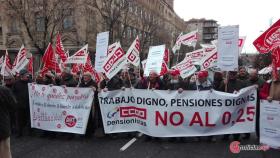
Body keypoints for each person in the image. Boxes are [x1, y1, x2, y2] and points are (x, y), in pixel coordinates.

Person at [220, 71, 248, 141]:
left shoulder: (241, 82)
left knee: (236, 121)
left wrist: (254, 87)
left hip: (237, 106)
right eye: (231, 74)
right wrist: (223, 85)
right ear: (228, 74)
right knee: (227, 121)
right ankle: (226, 135)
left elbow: (246, 91)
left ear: (236, 74)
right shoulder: (225, 82)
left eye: (234, 74)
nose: (232, 75)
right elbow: (219, 91)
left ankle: (236, 136)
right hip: (227, 106)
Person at [13, 69, 32, 137]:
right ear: (22, 75)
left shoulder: (31, 82)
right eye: (26, 74)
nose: (28, 75)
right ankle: (19, 133)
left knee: (29, 119)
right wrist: (16, 100)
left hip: (28, 105)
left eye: (27, 74)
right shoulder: (16, 83)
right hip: (19, 105)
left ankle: (30, 132)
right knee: (19, 120)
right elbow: (13, 93)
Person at [0, 86, 17, 158]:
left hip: (2, 128)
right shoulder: (4, 90)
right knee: (4, 153)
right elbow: (14, 105)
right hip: (2, 127)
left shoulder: (3, 90)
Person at [80, 72, 97, 138]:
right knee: (83, 117)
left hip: (90, 104)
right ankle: (84, 131)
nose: (84, 77)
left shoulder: (93, 83)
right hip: (83, 103)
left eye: (86, 76)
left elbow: (96, 92)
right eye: (84, 76)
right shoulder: (81, 83)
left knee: (90, 117)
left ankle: (90, 132)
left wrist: (94, 90)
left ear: (90, 77)